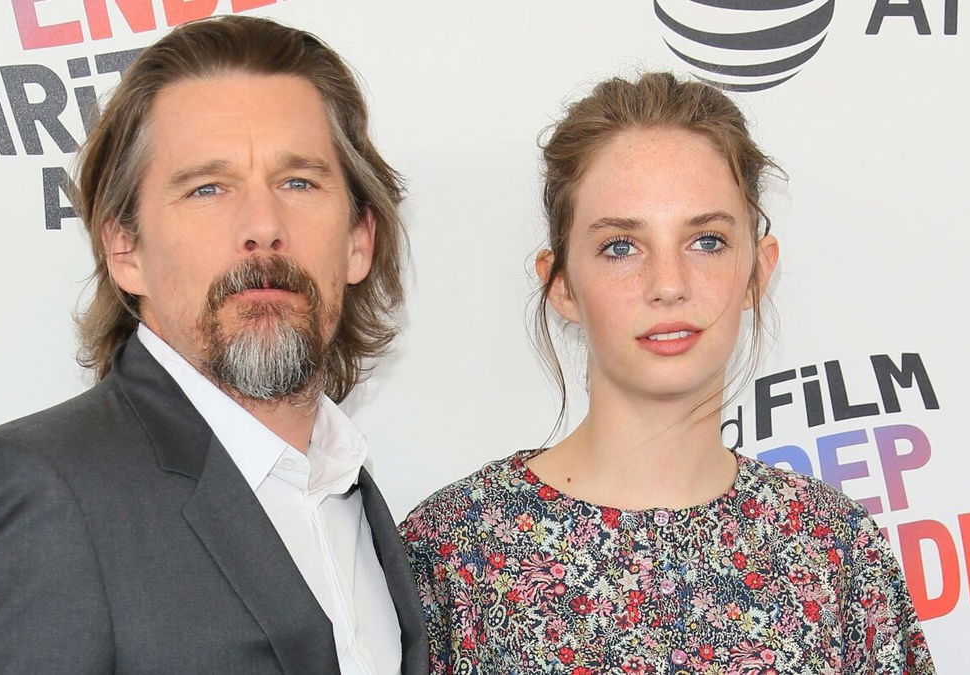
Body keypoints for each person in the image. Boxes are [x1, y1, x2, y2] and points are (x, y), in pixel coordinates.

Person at [0, 16, 426, 674]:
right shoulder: (34, 496)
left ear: (357, 241)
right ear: (126, 251)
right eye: (208, 188)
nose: (263, 226)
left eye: (298, 183)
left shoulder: (351, 497)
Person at [399, 73, 934, 674]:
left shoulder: (837, 548)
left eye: (706, 241)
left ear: (758, 270)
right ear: (562, 284)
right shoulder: (454, 549)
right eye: (621, 247)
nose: (669, 285)